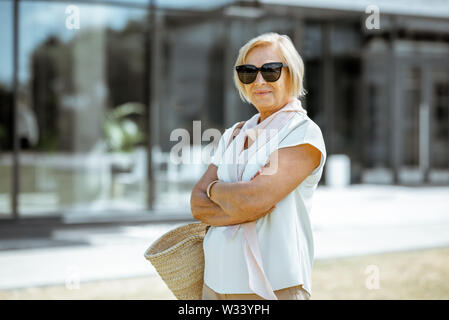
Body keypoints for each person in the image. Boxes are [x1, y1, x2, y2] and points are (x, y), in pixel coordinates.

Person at [190, 32, 326, 300]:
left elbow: (254, 198)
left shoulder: (302, 132)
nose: (259, 80)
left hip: (272, 287)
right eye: (248, 72)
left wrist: (215, 189)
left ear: (291, 74)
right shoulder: (233, 134)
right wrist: (241, 203)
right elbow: (197, 203)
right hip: (214, 284)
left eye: (271, 70)